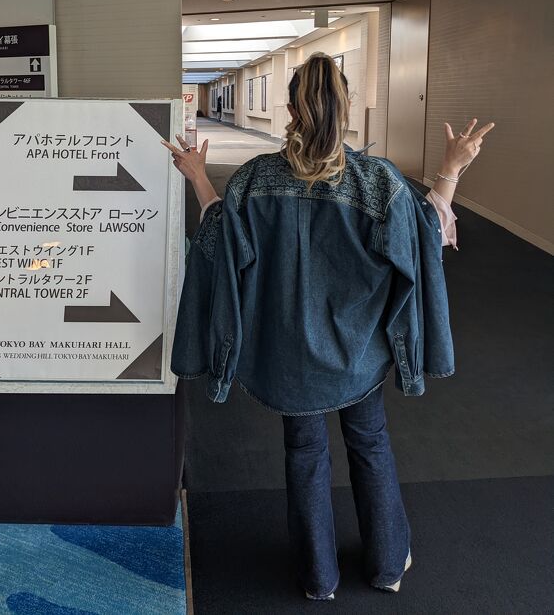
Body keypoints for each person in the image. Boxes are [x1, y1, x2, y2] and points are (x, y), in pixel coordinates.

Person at [162, 53, 493, 601]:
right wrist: (452, 169)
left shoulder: (253, 181)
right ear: (345, 112)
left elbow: (222, 242)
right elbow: (426, 239)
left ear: (289, 110)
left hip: (288, 356)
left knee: (305, 451)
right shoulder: (379, 183)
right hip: (358, 352)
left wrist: (198, 177)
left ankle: (318, 578)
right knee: (370, 443)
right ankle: (387, 566)